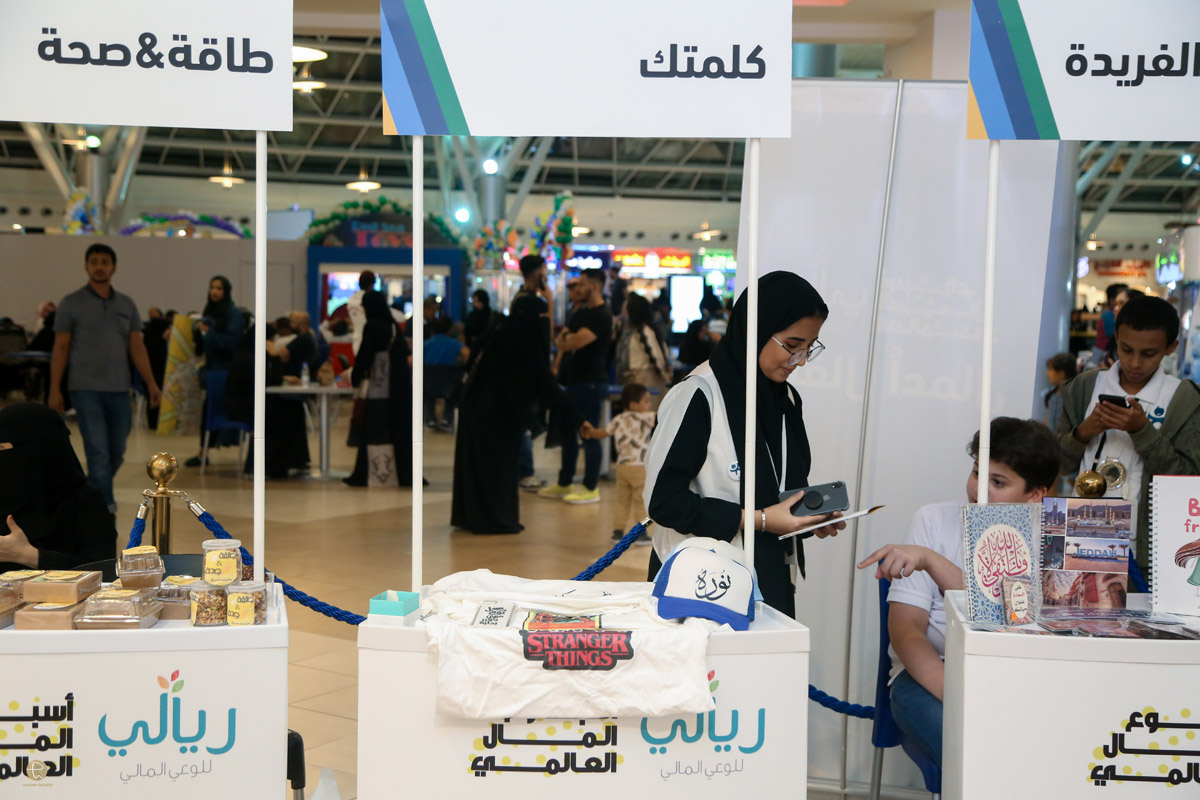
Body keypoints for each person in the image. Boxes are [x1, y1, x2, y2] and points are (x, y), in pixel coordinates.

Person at [856, 417, 1060, 771]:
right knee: (979, 752)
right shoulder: (933, 520)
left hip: (1017, 681)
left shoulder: (1055, 539)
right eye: (977, 473)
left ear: (1035, 494)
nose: (978, 489)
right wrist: (956, 694)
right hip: (929, 676)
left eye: (998, 482)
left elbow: (1013, 616)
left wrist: (933, 562)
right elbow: (906, 632)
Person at [643, 272, 845, 615]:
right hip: (700, 585)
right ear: (756, 330)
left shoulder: (785, 400)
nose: (799, 360)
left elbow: (781, 486)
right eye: (792, 346)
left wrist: (808, 517)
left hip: (770, 578)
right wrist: (761, 520)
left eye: (809, 348)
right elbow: (664, 502)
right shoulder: (698, 394)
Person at [1055, 295, 1200, 573]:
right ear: (1116, 339)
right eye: (1126, 349)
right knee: (1085, 599)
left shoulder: (1184, 398)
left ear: (1171, 347)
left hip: (1149, 545)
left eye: (1148, 354)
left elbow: (1189, 480)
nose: (1134, 362)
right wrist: (1083, 432)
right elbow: (1059, 464)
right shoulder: (1084, 387)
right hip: (1082, 531)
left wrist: (1142, 432)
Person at [452, 306, 586, 533]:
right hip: (499, 415)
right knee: (499, 469)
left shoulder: (499, 335)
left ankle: (473, 517)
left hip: (475, 408)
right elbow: (546, 384)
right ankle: (496, 519)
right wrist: (579, 419)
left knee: (478, 467)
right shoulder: (524, 343)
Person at [49, 243, 162, 513]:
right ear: (86, 266)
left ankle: (87, 494)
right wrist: (54, 388)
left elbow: (137, 346)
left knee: (116, 451)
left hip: (119, 388)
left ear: (114, 268)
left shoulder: (126, 304)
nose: (99, 267)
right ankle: (104, 510)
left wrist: (151, 383)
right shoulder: (71, 303)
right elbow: (61, 347)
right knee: (98, 452)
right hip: (84, 388)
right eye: (94, 262)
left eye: (105, 262)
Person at [0, 403, 117, 572]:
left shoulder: (84, 502)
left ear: (38, 449)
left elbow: (103, 569)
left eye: (2, 448)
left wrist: (30, 557)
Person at [538, 269, 614, 505]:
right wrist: (567, 340)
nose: (577, 289)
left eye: (581, 284)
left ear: (594, 286)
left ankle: (591, 487)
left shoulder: (602, 315)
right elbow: (562, 340)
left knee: (588, 432)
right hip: (572, 381)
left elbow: (575, 342)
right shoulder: (580, 312)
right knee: (568, 434)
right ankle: (565, 482)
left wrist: (567, 340)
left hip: (591, 383)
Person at [345, 291, 414, 487]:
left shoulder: (373, 326)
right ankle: (402, 473)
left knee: (374, 426)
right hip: (399, 387)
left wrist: (356, 378)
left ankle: (367, 473)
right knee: (398, 430)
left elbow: (365, 356)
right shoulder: (393, 326)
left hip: (379, 387)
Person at [582, 382, 656, 545]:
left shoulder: (618, 419)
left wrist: (590, 432)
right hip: (639, 467)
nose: (649, 405)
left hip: (622, 467)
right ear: (634, 405)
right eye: (646, 401)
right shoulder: (647, 417)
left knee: (622, 500)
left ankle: (618, 532)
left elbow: (602, 433)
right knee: (641, 501)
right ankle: (641, 533)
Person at [186, 276, 248, 467]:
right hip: (213, 369)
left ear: (226, 291)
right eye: (212, 287)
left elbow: (231, 341)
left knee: (220, 410)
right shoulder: (210, 310)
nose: (215, 292)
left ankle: (204, 452)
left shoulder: (233, 314)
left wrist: (209, 333)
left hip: (227, 371)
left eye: (219, 288)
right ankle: (203, 452)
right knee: (210, 410)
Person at [617, 292, 673, 408]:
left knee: (646, 412)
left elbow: (656, 355)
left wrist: (665, 375)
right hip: (637, 378)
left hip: (646, 378)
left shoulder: (644, 330)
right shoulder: (637, 330)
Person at [424, 317, 469, 432]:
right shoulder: (455, 344)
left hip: (428, 385)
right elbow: (468, 354)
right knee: (453, 393)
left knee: (426, 393)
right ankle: (447, 419)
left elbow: (412, 360)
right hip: (449, 386)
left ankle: (430, 419)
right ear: (450, 330)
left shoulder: (426, 344)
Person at [1091, 283, 1127, 367]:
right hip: (1103, 357)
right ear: (1112, 300)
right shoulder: (1111, 316)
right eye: (1120, 302)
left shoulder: (1108, 315)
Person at [1042, 351, 1077, 432]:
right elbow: (1047, 419)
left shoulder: (1072, 396)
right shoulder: (1052, 394)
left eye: (1050, 370)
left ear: (1061, 373)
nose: (1047, 373)